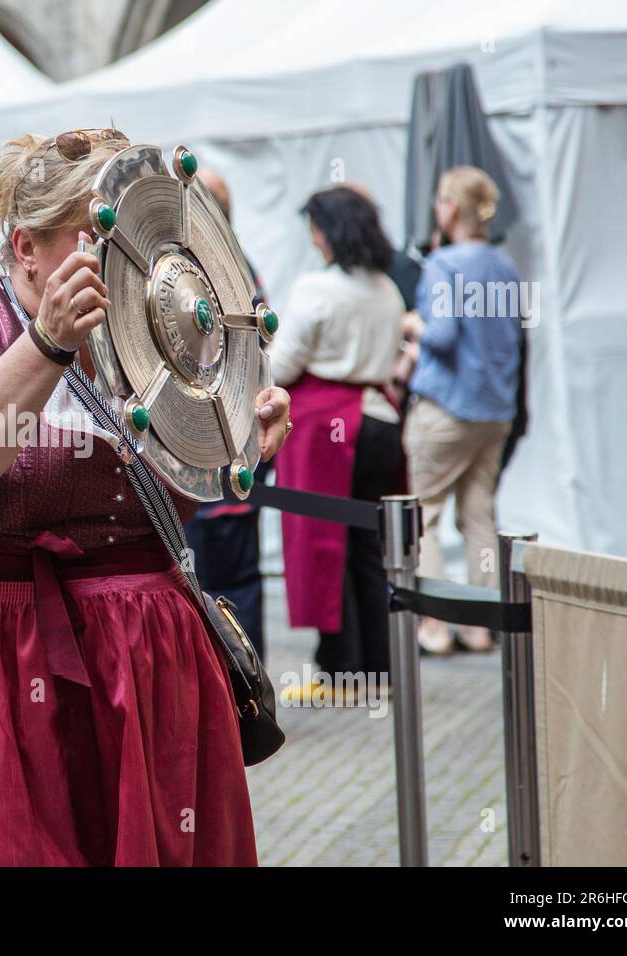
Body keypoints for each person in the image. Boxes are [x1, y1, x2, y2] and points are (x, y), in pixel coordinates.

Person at [0, 129, 292, 867]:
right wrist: (45, 342)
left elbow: (163, 513)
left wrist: (240, 444)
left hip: (149, 662)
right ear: (25, 246)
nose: (130, 258)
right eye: (99, 234)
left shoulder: (156, 334)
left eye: (136, 232)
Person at [273, 186, 406, 693]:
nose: (313, 239)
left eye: (315, 228)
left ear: (329, 231)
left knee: (325, 543)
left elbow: (283, 364)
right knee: (366, 546)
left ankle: (341, 666)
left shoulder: (318, 288)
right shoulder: (387, 289)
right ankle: (379, 662)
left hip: (331, 426)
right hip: (379, 421)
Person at [404, 166, 522, 654]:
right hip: (495, 410)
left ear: (451, 208)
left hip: (446, 407)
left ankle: (433, 627)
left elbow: (443, 335)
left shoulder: (444, 265)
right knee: (478, 519)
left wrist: (412, 326)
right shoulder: (505, 267)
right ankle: (479, 626)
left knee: (426, 515)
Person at [185, 166, 270, 657]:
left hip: (216, 437)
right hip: (224, 438)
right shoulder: (241, 264)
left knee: (222, 575)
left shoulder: (214, 267)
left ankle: (240, 681)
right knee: (235, 574)